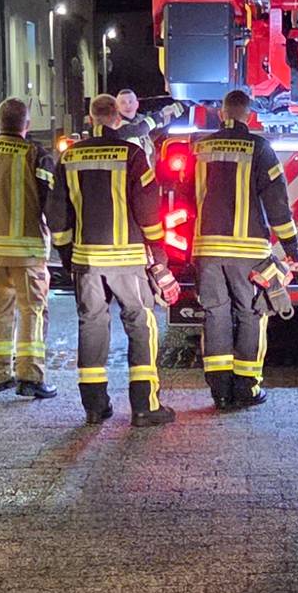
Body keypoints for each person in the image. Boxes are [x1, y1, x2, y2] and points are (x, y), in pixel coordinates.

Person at [54, 94, 175, 427]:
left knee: (91, 325)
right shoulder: (133, 154)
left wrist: (66, 255)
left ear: (91, 118)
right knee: (141, 324)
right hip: (127, 259)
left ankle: (94, 407)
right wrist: (158, 251)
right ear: (117, 119)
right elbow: (148, 210)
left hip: (87, 259)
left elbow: (58, 214)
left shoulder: (69, 157)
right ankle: (144, 405)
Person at [187, 89, 298, 409]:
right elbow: (276, 200)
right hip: (249, 250)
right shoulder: (260, 148)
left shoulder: (202, 147)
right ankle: (246, 387)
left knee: (215, 315)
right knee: (252, 314)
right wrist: (290, 241)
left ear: (221, 114)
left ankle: (220, 390)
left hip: (207, 248)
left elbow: (186, 195)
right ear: (250, 116)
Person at [0, 97, 65, 400]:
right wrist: (62, 240)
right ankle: (30, 377)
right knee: (32, 311)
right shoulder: (35, 154)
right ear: (27, 125)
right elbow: (51, 202)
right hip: (27, 251)